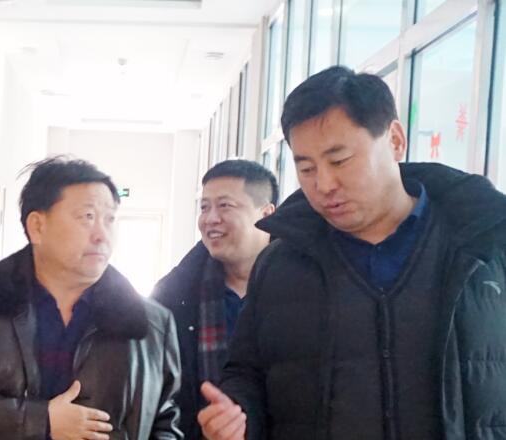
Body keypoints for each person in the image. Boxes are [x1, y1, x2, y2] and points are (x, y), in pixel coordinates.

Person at [197, 65, 506, 440]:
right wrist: (238, 418)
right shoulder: (280, 264)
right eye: (306, 168)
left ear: (395, 140)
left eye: (339, 160)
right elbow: (247, 373)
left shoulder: (485, 248)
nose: (324, 184)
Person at [0, 157, 183, 440]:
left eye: (110, 219)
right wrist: (41, 421)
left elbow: (165, 424)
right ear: (37, 227)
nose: (102, 235)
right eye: (87, 217)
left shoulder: (153, 325)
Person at [153, 159, 278, 439]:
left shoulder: (301, 289)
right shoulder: (174, 297)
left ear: (267, 214)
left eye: (225, 206)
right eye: (204, 207)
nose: (210, 219)